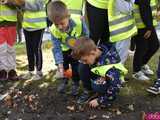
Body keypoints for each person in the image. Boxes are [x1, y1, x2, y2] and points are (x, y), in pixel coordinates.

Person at [47, 1, 89, 96]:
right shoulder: (53, 30)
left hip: (76, 49)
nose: (60, 27)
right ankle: (64, 81)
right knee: (64, 67)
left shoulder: (79, 22)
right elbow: (56, 48)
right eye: (56, 24)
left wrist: (81, 49)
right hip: (63, 50)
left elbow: (86, 36)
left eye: (62, 23)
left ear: (68, 17)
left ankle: (75, 83)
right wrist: (59, 64)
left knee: (75, 67)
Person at [72, 37, 127, 107]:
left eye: (85, 60)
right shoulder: (96, 53)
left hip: (113, 83)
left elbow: (116, 86)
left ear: (92, 53)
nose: (84, 62)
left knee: (97, 85)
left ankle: (105, 99)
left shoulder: (110, 66)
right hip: (103, 76)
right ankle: (91, 91)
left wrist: (100, 101)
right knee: (82, 67)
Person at [78, 0, 110, 105]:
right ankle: (88, 89)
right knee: (89, 44)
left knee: (106, 46)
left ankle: (102, 88)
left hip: (113, 7)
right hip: (95, 4)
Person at [132, 0, 159, 81]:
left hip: (148, 24)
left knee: (154, 45)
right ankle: (136, 72)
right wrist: (149, 27)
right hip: (142, 25)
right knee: (142, 48)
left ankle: (141, 64)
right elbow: (144, 9)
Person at [21, 0, 47, 80]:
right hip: (27, 26)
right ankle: (31, 70)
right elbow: (21, 8)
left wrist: (21, 2)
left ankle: (39, 72)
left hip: (38, 26)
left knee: (37, 49)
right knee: (29, 50)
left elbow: (36, 6)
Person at [0, 0, 23, 81]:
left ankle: (11, 71)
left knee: (10, 49)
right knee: (2, 49)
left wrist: (9, 2)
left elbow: (20, 4)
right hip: (0, 25)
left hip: (12, 25)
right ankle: (2, 71)